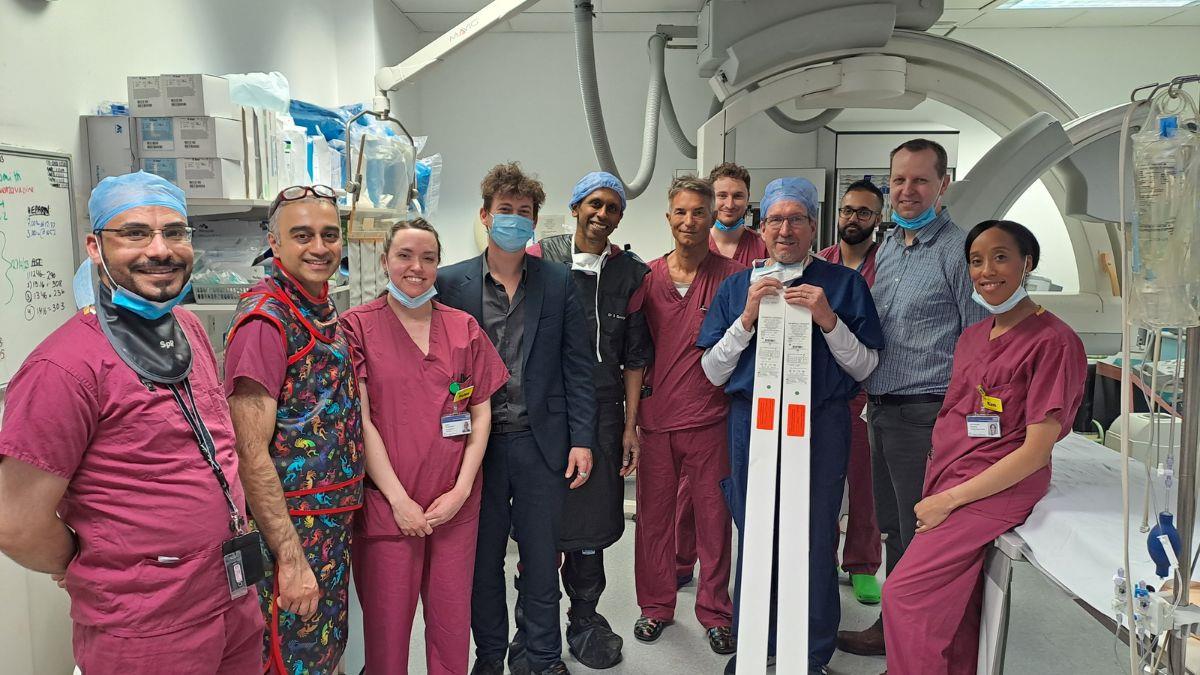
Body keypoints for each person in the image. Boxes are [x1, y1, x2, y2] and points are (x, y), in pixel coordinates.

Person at [0, 172, 263, 674]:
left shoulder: (187, 328)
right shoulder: (63, 368)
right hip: (148, 626)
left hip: (230, 595)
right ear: (96, 247)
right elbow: (15, 524)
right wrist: (87, 564)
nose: (160, 250)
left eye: (176, 232)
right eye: (135, 232)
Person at [881, 220, 1087, 674]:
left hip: (994, 488)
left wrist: (948, 501)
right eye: (976, 261)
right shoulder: (974, 337)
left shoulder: (1054, 342)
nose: (986, 271)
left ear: (1026, 263)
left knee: (905, 596)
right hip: (952, 474)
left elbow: (1035, 452)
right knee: (954, 610)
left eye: (1000, 257)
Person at [698, 177, 884, 675]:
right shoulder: (739, 286)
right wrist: (747, 318)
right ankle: (755, 643)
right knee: (755, 530)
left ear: (811, 225)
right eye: (776, 219)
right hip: (751, 424)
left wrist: (828, 319)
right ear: (763, 226)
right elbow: (712, 371)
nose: (785, 229)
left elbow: (866, 366)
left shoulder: (843, 285)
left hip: (820, 424)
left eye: (796, 219)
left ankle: (810, 651)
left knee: (815, 533)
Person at [437, 162, 597, 675]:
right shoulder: (449, 283)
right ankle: (490, 658)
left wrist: (582, 439)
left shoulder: (558, 283)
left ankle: (545, 658)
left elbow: (578, 367)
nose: (513, 219)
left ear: (534, 221)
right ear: (485, 216)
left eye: (523, 213)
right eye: (503, 210)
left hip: (540, 442)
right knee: (483, 565)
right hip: (473, 451)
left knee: (541, 560)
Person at [838, 139, 989, 657]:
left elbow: (979, 346)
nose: (907, 190)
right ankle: (895, 631)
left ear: (943, 185)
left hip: (928, 413)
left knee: (923, 536)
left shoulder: (959, 251)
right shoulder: (889, 250)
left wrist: (958, 427)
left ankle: (916, 650)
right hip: (881, 410)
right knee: (895, 530)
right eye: (898, 180)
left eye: (920, 180)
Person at [341, 219, 509, 674]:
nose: (416, 267)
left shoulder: (463, 328)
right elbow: (362, 421)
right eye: (405, 256)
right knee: (387, 634)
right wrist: (398, 501)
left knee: (452, 628)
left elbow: (481, 413)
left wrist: (460, 490)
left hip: (455, 504)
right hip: (388, 507)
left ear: (439, 264)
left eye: (428, 258)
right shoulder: (356, 327)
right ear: (385, 262)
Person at [224, 184, 365, 674]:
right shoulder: (266, 322)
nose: (319, 247)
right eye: (302, 235)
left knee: (322, 651)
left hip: (328, 525)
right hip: (290, 530)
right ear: (275, 242)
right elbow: (249, 452)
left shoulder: (320, 309)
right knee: (291, 658)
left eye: (329, 235)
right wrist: (290, 560)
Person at [521, 171, 652, 670]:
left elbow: (635, 357)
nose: (602, 214)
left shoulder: (631, 275)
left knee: (593, 524)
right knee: (539, 521)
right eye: (593, 204)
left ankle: (585, 617)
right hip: (543, 413)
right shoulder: (538, 260)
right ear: (575, 206)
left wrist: (628, 425)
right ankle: (535, 626)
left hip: (601, 412)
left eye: (612, 208)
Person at [631, 175, 742, 655]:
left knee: (715, 520)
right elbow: (633, 354)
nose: (691, 221)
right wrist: (630, 421)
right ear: (668, 216)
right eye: (681, 212)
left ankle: (716, 613)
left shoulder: (734, 277)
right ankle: (655, 607)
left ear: (711, 215)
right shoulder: (648, 278)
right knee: (654, 520)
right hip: (656, 422)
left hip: (712, 419)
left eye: (700, 211)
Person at [672, 162, 766, 588]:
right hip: (691, 390)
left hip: (742, 389)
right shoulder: (688, 243)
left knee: (720, 492)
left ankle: (733, 580)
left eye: (738, 196)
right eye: (722, 196)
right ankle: (678, 561)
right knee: (686, 492)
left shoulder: (762, 249)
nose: (729, 204)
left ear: (749, 201)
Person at [817, 179, 885, 605]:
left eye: (864, 212)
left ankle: (862, 564)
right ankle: (823, 557)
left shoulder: (889, 264)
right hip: (825, 389)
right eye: (847, 211)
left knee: (866, 481)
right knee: (824, 482)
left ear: (878, 219)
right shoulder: (821, 263)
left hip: (870, 390)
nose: (853, 219)